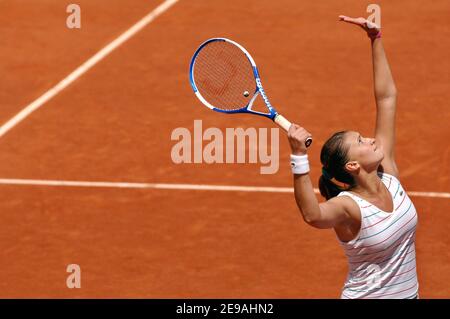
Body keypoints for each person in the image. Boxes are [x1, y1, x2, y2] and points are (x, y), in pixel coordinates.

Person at [287, 15, 419, 299]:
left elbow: (386, 99)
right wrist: (299, 156)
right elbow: (312, 215)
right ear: (353, 165)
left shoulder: (389, 175)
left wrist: (375, 39)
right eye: (361, 141)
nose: (371, 139)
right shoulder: (348, 207)